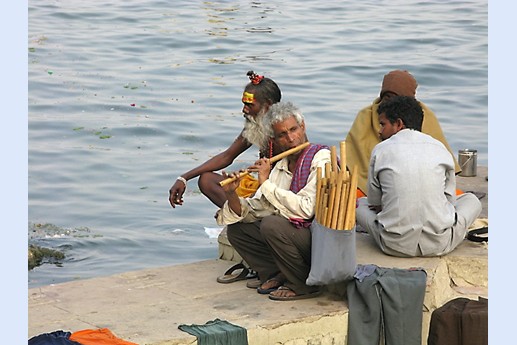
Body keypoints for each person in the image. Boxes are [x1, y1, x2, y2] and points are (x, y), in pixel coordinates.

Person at [216, 101, 331, 301]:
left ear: (303, 127)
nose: (291, 139)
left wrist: (265, 183)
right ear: (275, 140)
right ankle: (276, 273)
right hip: (295, 238)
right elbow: (255, 210)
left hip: (320, 240)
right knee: (238, 230)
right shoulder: (281, 166)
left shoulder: (321, 158)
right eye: (282, 135)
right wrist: (231, 194)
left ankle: (302, 284)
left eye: (294, 130)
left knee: (272, 225)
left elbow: (305, 210)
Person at [355, 96, 482, 257]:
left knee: (360, 204)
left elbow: (374, 202)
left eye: (383, 124)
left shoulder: (381, 150)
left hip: (393, 245)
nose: (379, 131)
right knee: (471, 200)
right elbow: (450, 202)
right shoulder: (439, 147)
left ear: (399, 124)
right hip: (440, 244)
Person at [169, 70, 282, 209]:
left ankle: (244, 217)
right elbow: (227, 156)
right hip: (261, 185)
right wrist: (184, 178)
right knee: (206, 180)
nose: (244, 110)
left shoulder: (284, 129)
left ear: (268, 106)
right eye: (244, 104)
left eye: (250, 105)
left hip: (279, 190)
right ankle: (241, 216)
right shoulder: (257, 125)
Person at [345, 69, 461, 196]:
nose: (389, 103)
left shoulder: (424, 116)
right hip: (371, 186)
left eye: (395, 99)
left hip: (417, 186)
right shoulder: (365, 117)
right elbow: (354, 163)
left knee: (458, 194)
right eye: (386, 97)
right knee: (353, 197)